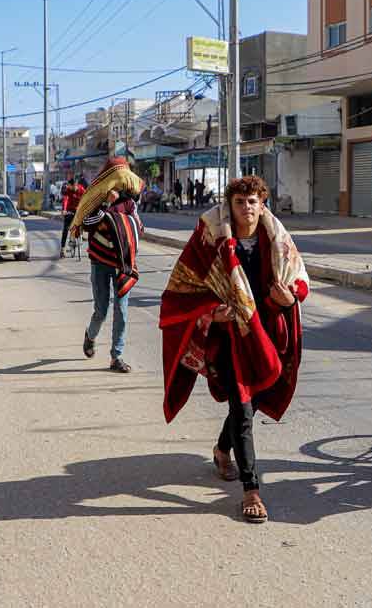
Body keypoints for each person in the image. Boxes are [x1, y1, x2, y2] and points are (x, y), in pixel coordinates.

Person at [160, 175, 310, 523]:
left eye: (253, 202)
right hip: (229, 336)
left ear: (262, 204)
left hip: (266, 332)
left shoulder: (276, 236)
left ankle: (221, 449)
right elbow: (183, 285)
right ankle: (251, 490)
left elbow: (298, 276)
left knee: (252, 401)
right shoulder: (210, 235)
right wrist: (211, 312)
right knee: (242, 408)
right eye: (240, 202)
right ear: (231, 205)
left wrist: (292, 297)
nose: (247, 209)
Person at [71, 157, 145, 374]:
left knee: (121, 311)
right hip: (100, 261)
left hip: (123, 264)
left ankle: (116, 356)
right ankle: (90, 336)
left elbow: (136, 226)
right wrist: (106, 204)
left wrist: (133, 228)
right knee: (101, 311)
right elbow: (87, 223)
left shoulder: (129, 202)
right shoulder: (96, 200)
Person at [59, 178, 86, 257]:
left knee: (85, 222)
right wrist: (64, 210)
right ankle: (62, 249)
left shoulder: (81, 190)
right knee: (66, 229)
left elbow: (85, 198)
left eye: (70, 186)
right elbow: (66, 200)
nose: (69, 187)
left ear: (75, 185)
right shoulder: (67, 190)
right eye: (68, 186)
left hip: (79, 210)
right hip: (69, 211)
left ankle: (81, 233)